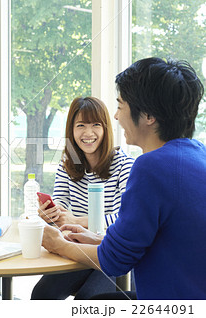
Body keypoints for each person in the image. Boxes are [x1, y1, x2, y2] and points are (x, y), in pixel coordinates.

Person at [41, 57, 206, 299]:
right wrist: (96, 239)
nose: (116, 117)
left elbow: (116, 261)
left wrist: (58, 244)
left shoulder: (150, 166)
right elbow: (139, 243)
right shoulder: (198, 154)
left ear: (148, 115)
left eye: (121, 106)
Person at [31, 96, 134, 300]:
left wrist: (78, 221)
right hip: (76, 248)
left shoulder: (124, 164)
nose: (88, 133)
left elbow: (126, 218)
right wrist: (51, 212)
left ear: (106, 129)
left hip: (109, 250)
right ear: (72, 130)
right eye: (81, 125)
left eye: (96, 125)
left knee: (88, 299)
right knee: (42, 293)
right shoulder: (68, 163)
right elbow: (60, 201)